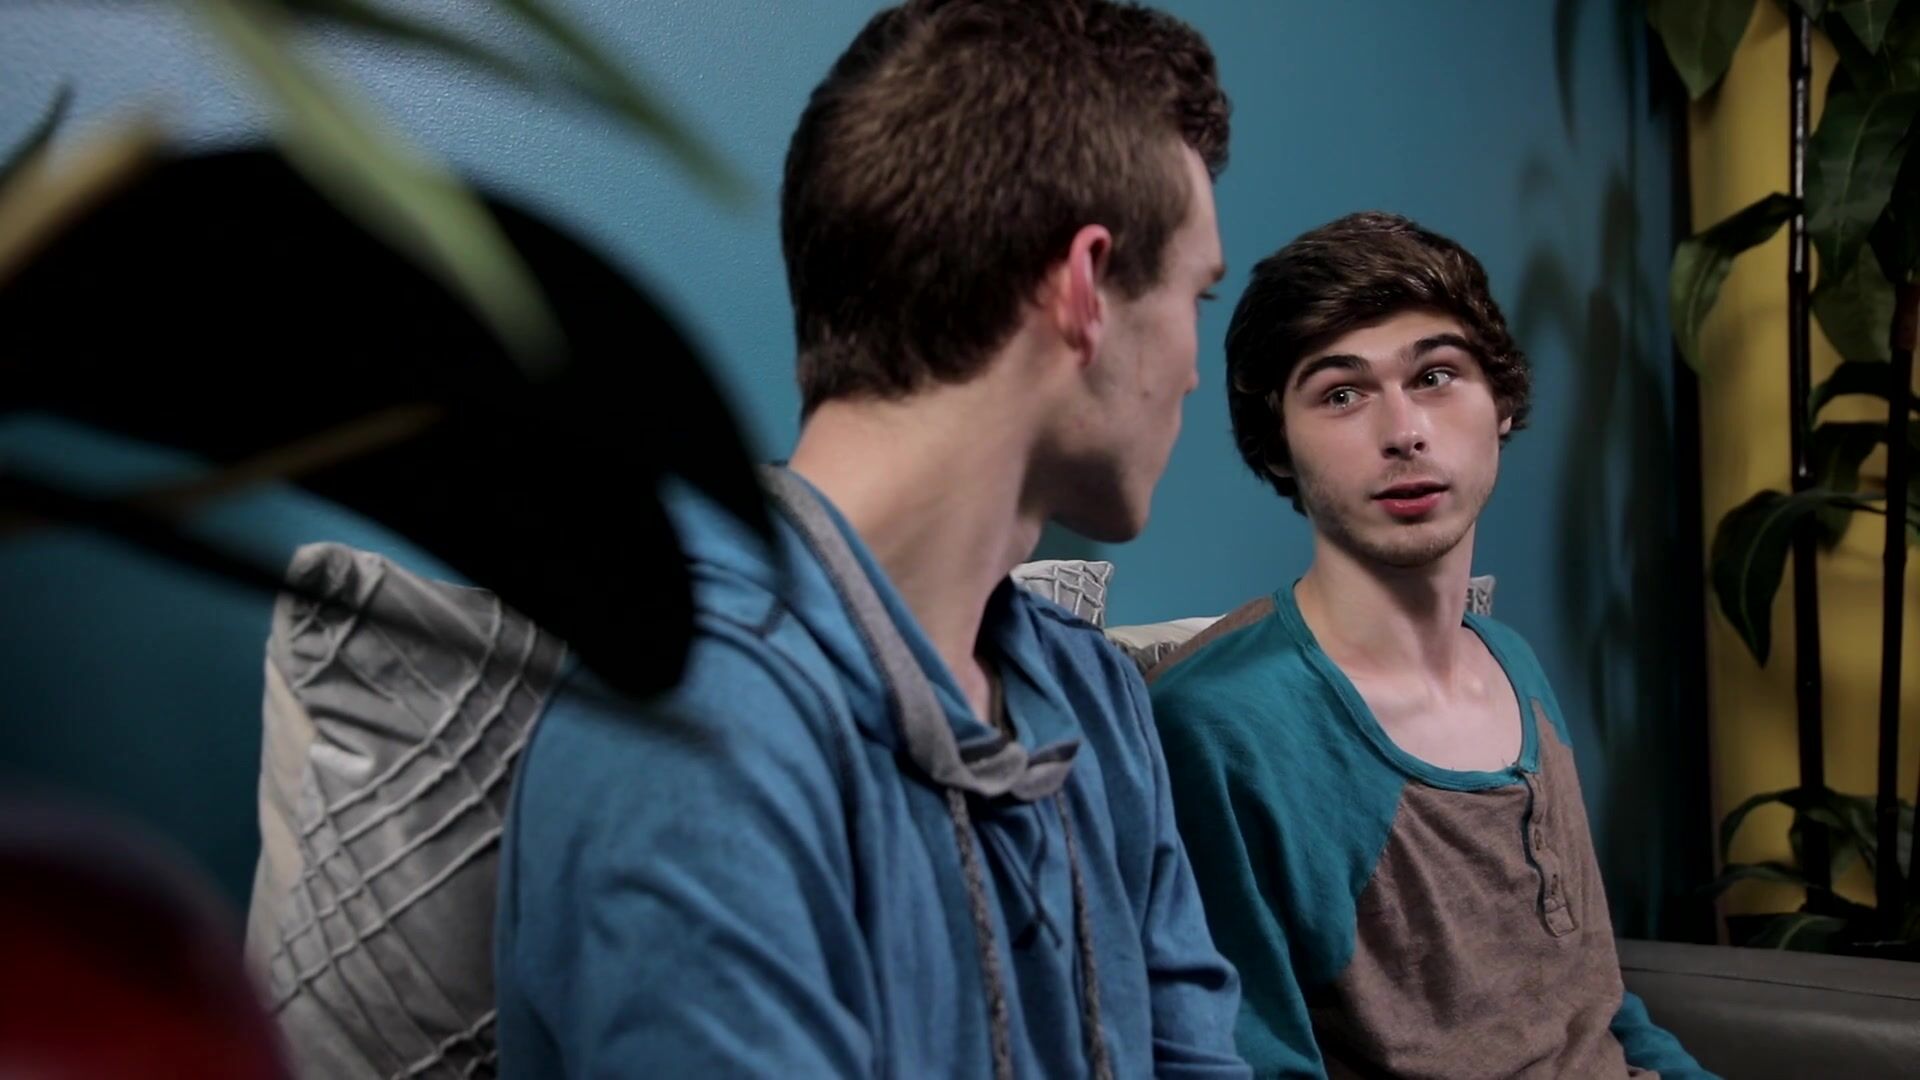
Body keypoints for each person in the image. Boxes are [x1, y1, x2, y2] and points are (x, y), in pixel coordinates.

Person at [495, 2, 1248, 1076]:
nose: (1194, 370)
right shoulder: (690, 727)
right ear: (1086, 288)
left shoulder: (1097, 702)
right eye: (1196, 297)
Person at [1148, 212, 1715, 1078]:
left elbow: (1603, 1010)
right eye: (1341, 393)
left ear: (1503, 403)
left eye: (1436, 376)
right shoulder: (1216, 727)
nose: (1404, 430)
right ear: (1279, 443)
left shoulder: (1510, 660)